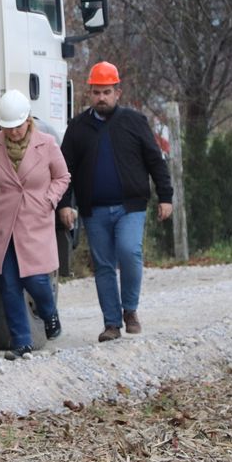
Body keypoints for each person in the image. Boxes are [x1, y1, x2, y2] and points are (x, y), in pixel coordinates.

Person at [58, 61, 173, 342]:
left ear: (117, 92)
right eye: (97, 92)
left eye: (107, 92)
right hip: (93, 210)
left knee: (129, 252)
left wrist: (165, 196)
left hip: (130, 206)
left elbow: (154, 161)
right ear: (90, 93)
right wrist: (65, 203)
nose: (102, 98)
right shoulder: (77, 128)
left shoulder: (135, 122)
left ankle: (130, 309)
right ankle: (111, 323)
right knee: (104, 266)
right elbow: (63, 169)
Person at [0, 90, 71, 360]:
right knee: (8, 283)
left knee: (35, 278)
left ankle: (49, 312)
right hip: (1, 222)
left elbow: (62, 176)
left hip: (34, 219)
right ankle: (21, 342)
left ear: (28, 120)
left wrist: (49, 200)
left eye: (17, 126)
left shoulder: (47, 143)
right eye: (7, 128)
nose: (13, 132)